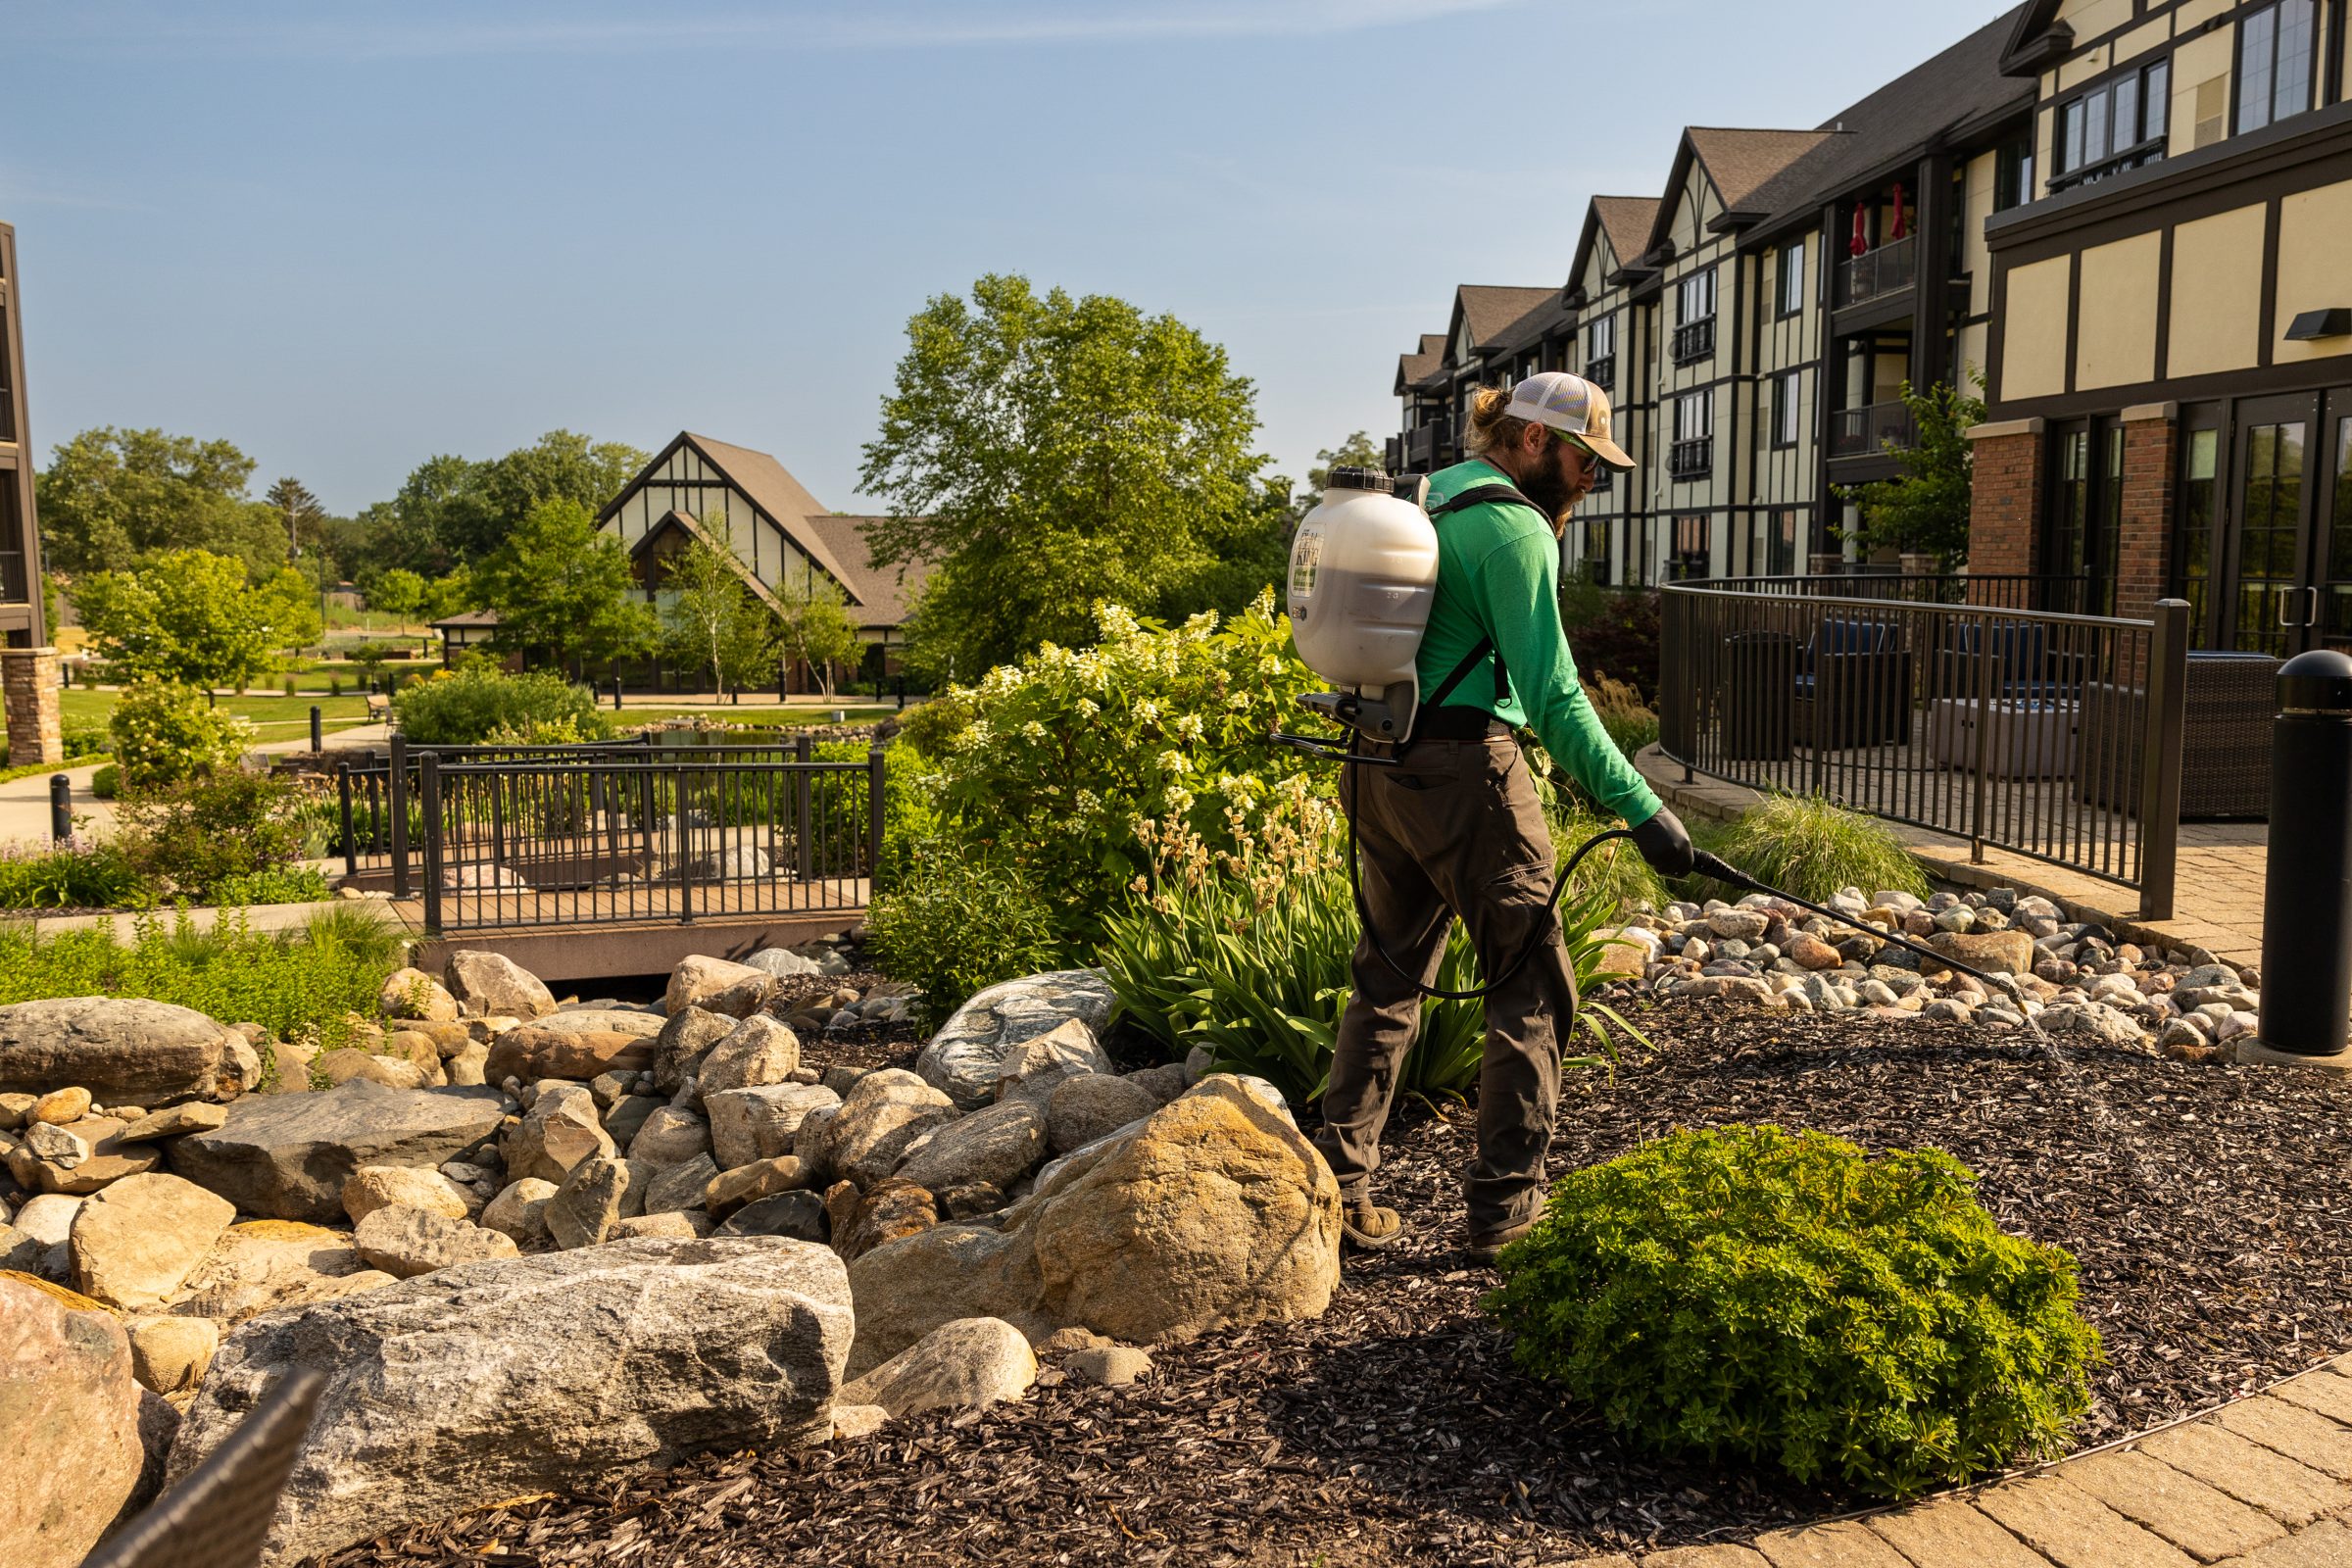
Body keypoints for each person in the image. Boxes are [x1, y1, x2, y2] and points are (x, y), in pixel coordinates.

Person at [1314, 369, 1693, 1264]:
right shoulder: (1514, 529)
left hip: (1377, 763)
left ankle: (1341, 1185)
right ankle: (1502, 1213)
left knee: (1388, 978)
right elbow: (1555, 696)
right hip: (1464, 775)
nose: (1591, 478)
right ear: (1534, 441)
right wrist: (1643, 811)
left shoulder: (1428, 497)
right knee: (1533, 984)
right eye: (1584, 458)